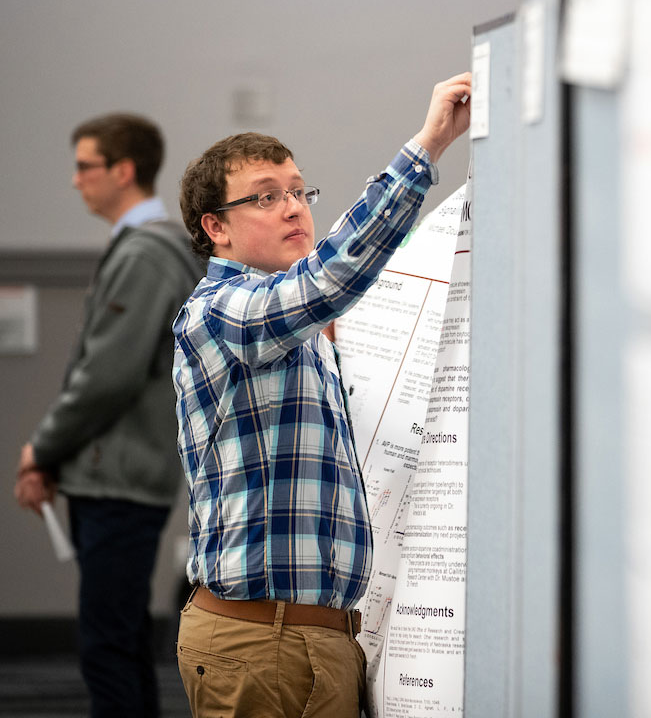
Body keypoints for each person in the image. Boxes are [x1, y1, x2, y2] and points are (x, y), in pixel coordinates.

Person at [172, 72, 471, 717]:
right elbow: (328, 279)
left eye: (297, 190)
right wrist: (427, 147)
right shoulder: (222, 311)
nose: (293, 207)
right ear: (215, 227)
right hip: (258, 641)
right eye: (264, 197)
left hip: (320, 639)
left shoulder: (303, 333)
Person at [13, 113, 205, 718]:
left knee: (107, 648)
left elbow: (105, 376)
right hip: (124, 471)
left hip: (119, 477)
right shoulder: (147, 247)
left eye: (85, 166)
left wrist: (41, 449)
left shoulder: (146, 254)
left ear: (123, 171)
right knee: (115, 645)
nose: (75, 181)